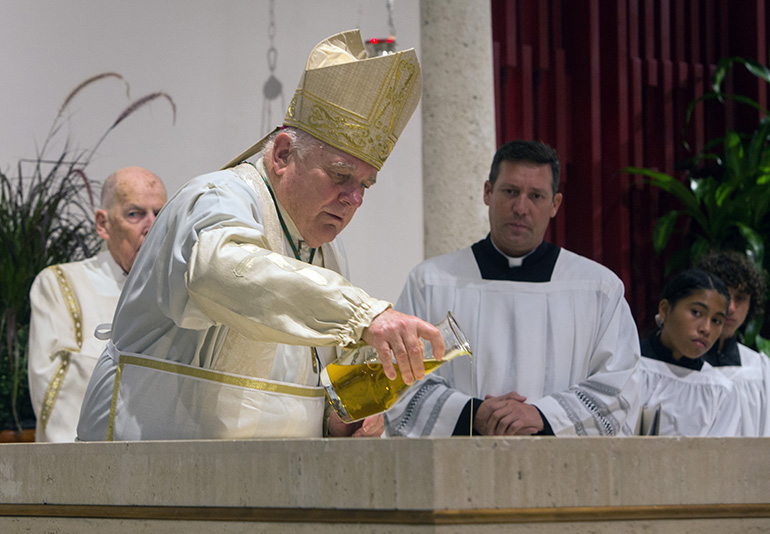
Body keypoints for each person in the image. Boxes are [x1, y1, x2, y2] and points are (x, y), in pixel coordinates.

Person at [76, 29, 441, 441]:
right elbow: (224, 274)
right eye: (340, 175)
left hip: (269, 483)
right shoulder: (217, 197)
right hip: (153, 465)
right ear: (283, 154)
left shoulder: (325, 250)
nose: (353, 198)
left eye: (365, 185)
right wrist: (361, 314)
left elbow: (305, 384)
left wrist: (345, 415)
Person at [384, 140, 641, 437]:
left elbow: (620, 388)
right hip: (459, 469)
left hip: (560, 471)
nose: (521, 207)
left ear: (555, 204)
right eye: (510, 192)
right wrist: (472, 414)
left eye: (536, 196)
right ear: (487, 192)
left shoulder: (599, 289)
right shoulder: (430, 282)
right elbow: (397, 378)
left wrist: (542, 416)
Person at [28, 166, 167, 442]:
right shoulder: (60, 283)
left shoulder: (173, 291)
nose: (151, 226)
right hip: (86, 461)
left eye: (160, 214)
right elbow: (53, 385)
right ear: (103, 224)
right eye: (135, 214)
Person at [639, 269, 741, 436]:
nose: (706, 329)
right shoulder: (625, 365)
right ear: (665, 309)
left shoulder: (719, 391)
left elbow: (719, 457)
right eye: (696, 312)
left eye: (716, 321)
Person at [697, 250, 770, 436]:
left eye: (740, 298)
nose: (731, 308)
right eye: (726, 295)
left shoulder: (760, 370)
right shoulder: (678, 366)